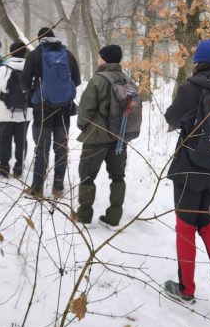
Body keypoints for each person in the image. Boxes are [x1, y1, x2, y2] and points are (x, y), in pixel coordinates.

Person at [162, 39, 210, 307]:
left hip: (191, 170)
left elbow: (172, 118)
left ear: (197, 63)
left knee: (186, 227)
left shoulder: (191, 88)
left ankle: (186, 289)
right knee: (208, 225)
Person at [21, 27, 80, 199]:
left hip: (42, 109)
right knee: (61, 148)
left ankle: (37, 188)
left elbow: (24, 81)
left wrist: (34, 93)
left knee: (42, 149)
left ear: (39, 39)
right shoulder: (67, 55)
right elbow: (76, 81)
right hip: (64, 110)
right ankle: (58, 188)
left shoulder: (35, 55)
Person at [75, 44, 129, 226]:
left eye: (99, 56)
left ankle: (83, 216)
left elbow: (85, 109)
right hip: (119, 138)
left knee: (87, 176)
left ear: (104, 59)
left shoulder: (98, 80)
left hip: (96, 138)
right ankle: (114, 218)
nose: (97, 59)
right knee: (118, 176)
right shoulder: (127, 80)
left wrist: (83, 126)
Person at [0, 40, 32, 178]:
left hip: (4, 113)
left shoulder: (4, 69)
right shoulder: (31, 69)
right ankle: (19, 168)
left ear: (11, 52)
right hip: (25, 113)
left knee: (4, 140)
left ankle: (4, 168)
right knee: (21, 140)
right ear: (25, 53)